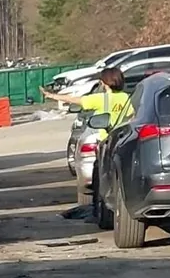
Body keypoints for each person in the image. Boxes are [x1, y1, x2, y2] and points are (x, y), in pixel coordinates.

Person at [46, 68, 131, 221]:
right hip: (124, 141)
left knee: (101, 180)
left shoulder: (101, 99)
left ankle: (102, 211)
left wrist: (52, 96)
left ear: (104, 83)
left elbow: (76, 100)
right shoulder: (127, 98)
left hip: (106, 143)